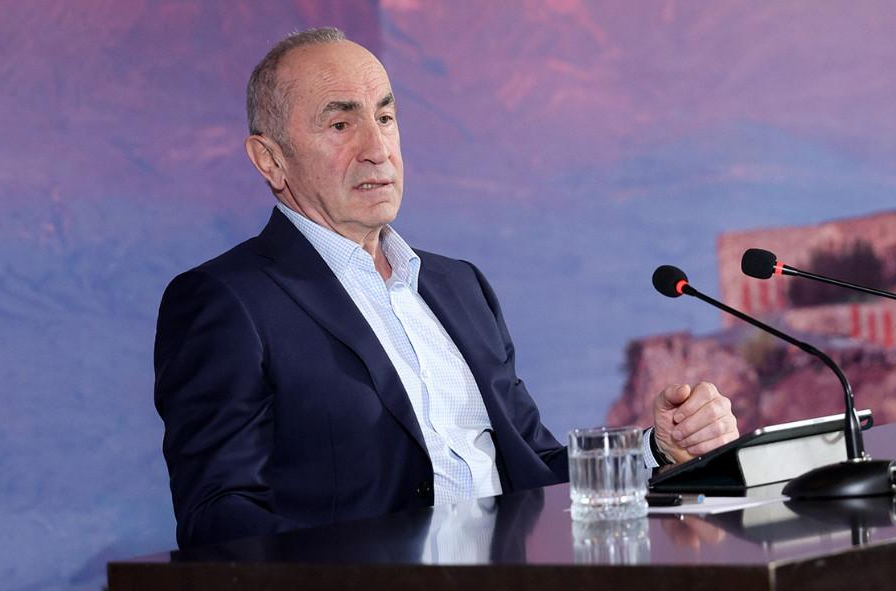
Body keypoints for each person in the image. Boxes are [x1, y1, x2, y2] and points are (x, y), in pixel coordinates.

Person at [154, 27, 739, 549]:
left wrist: (656, 448)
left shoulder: (459, 286)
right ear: (270, 159)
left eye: (385, 118)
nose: (377, 150)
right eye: (340, 124)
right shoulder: (228, 301)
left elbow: (532, 468)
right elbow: (220, 516)